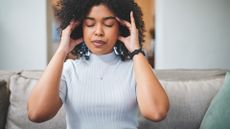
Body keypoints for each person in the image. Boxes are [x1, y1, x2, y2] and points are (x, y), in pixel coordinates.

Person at [27, 0, 169, 129]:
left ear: (121, 27)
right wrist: (61, 51)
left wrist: (136, 51)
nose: (98, 32)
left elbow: (156, 113)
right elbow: (36, 113)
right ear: (79, 28)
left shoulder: (136, 68)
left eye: (108, 24)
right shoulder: (69, 69)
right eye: (90, 24)